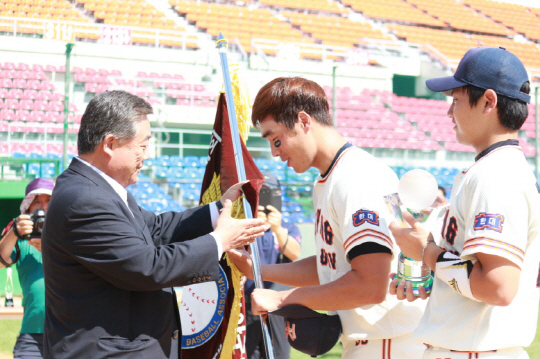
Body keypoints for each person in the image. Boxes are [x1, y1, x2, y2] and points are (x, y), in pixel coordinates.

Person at [41, 90, 266, 359]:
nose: (147, 156)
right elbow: (147, 267)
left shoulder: (95, 189)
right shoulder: (86, 199)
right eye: (143, 146)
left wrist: (218, 210)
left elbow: (156, 228)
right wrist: (220, 241)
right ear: (110, 144)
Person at [229, 77, 426, 359]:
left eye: (276, 138)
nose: (274, 151)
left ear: (303, 121)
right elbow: (329, 265)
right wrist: (256, 270)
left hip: (391, 343)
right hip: (375, 341)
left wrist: (282, 297)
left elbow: (371, 284)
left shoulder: (355, 177)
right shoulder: (330, 179)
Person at [389, 47, 539, 359]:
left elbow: (498, 287)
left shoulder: (495, 175)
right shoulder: (492, 170)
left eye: (455, 100)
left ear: (488, 101)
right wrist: (431, 275)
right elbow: (476, 277)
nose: (449, 111)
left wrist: (428, 253)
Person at [245, 172, 302, 359]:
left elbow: (295, 253)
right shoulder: (246, 225)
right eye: (260, 191)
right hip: (249, 301)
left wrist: (277, 229)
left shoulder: (288, 227)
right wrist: (255, 224)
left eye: (268, 191)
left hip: (280, 303)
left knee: (279, 355)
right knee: (248, 354)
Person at [0, 178, 54, 359]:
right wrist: (14, 231)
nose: (43, 207)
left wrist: (51, 248)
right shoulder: (20, 241)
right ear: (28, 209)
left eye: (48, 201)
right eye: (36, 202)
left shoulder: (70, 236)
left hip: (70, 333)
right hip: (32, 334)